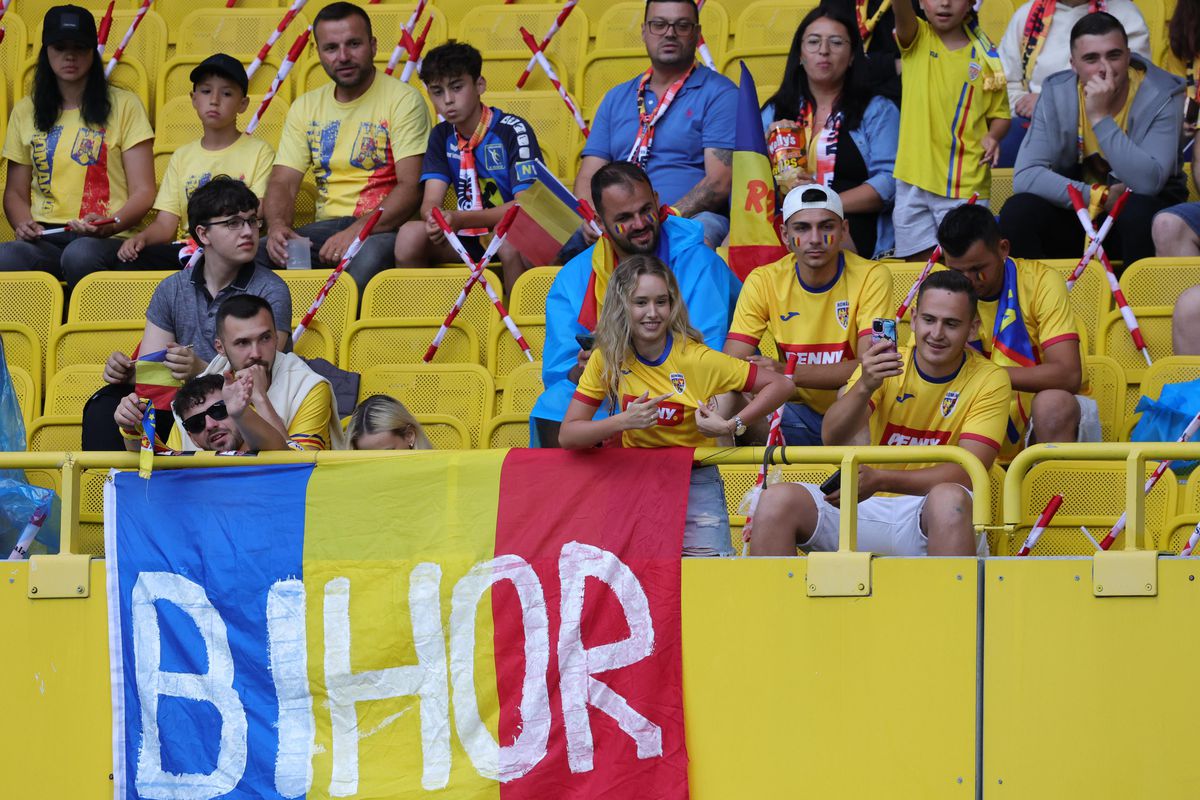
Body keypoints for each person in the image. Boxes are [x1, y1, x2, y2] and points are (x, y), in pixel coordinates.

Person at [748, 270, 1012, 558]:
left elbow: (968, 472)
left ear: (972, 329)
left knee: (949, 499)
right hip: (865, 505)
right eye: (928, 320)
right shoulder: (884, 363)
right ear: (914, 319)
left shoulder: (991, 379)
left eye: (951, 324)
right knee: (775, 501)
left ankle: (951, 591)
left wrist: (883, 479)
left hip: (929, 509)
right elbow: (831, 437)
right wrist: (865, 385)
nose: (937, 333)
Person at [559, 255, 793, 557]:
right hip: (635, 480)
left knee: (707, 576)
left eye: (661, 302)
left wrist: (732, 425)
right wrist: (623, 422)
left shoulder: (696, 358)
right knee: (642, 578)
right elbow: (568, 435)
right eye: (640, 302)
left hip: (694, 480)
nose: (652, 313)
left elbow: (782, 385)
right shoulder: (607, 357)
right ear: (621, 306)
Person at [530, 161, 741, 446]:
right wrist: (583, 368)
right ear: (600, 222)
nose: (640, 224)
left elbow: (709, 354)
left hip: (681, 385)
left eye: (645, 210)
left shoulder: (699, 262)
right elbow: (558, 371)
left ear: (657, 200)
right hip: (608, 389)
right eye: (625, 217)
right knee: (552, 407)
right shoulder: (573, 275)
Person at [260, 1, 431, 288]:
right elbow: (283, 182)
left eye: (353, 44)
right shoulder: (305, 106)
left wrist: (356, 231)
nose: (343, 56)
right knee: (246, 257)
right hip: (325, 230)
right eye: (331, 48)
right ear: (318, 53)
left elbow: (411, 187)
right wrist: (277, 227)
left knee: (368, 257)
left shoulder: (403, 100)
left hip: (384, 229)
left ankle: (340, 320)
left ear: (373, 46)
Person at [1001, 12, 1186, 270]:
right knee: (1018, 211)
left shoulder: (1162, 93)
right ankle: (1040, 293)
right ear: (1073, 64)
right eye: (1091, 59)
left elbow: (1148, 183)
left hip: (1142, 218)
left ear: (1128, 55)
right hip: (1080, 214)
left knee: (1137, 210)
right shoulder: (1056, 92)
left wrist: (1100, 118)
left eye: (1114, 55)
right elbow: (1026, 176)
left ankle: (1136, 295)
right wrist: (1098, 196)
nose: (1104, 68)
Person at [722, 184, 891, 446]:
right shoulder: (764, 279)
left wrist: (787, 372)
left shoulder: (873, 276)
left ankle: (857, 475)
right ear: (784, 235)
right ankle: (727, 471)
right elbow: (732, 363)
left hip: (857, 414)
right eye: (802, 228)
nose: (814, 238)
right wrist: (763, 380)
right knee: (726, 396)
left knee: (853, 391)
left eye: (826, 227)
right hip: (795, 414)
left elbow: (869, 367)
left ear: (843, 230)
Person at [0, 4, 155, 288]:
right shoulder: (24, 111)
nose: (69, 56)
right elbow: (15, 193)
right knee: (6, 256)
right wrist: (24, 223)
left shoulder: (125, 105)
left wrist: (110, 223)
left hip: (109, 234)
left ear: (93, 52)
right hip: (47, 236)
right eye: (59, 47)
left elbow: (144, 191)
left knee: (80, 254)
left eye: (80, 47)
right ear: (46, 51)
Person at [571, 0, 737, 251]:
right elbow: (588, 175)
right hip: (617, 224)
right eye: (659, 24)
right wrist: (596, 219)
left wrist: (659, 220)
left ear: (697, 33)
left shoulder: (720, 93)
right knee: (544, 241)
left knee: (697, 237)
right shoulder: (616, 97)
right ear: (644, 31)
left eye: (682, 25)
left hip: (689, 219)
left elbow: (719, 183)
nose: (670, 33)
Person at [937, 203, 1096, 460]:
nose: (968, 281)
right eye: (956, 272)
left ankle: (1046, 485)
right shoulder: (939, 291)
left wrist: (982, 374)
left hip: (1038, 423)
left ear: (1003, 249)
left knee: (1054, 404)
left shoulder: (1041, 282)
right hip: (969, 414)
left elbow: (1068, 375)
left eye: (978, 270)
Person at [102, 178, 292, 389]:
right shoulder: (171, 289)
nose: (248, 231)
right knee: (108, 399)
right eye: (234, 223)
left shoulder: (271, 290)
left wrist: (201, 370)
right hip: (183, 401)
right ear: (203, 234)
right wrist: (128, 374)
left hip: (251, 403)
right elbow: (153, 378)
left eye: (252, 220)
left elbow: (264, 376)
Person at [394, 41, 538, 293]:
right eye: (437, 92)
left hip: (514, 232)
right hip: (467, 233)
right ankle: (424, 313)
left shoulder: (513, 130)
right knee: (408, 236)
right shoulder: (441, 135)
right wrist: (435, 219)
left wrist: (461, 219)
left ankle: (514, 314)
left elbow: (525, 206)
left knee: (508, 240)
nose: (448, 100)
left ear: (479, 85)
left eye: (457, 87)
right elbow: (430, 201)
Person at [761, 5, 900, 257]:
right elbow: (749, 176)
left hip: (849, 221)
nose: (824, 50)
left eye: (836, 42)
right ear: (800, 54)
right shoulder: (774, 111)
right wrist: (766, 146)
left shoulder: (877, 109)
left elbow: (889, 183)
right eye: (814, 42)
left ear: (852, 56)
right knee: (733, 242)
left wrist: (823, 200)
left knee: (819, 234)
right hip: (782, 219)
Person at [117, 54, 275, 268]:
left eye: (227, 93)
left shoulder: (260, 152)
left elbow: (258, 210)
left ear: (243, 104)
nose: (214, 100)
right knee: (130, 260)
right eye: (206, 91)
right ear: (193, 98)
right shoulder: (182, 157)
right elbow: (165, 224)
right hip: (189, 248)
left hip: (236, 245)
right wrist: (141, 239)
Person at [891, 0, 1010, 259]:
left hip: (965, 181)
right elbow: (899, 7)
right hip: (914, 177)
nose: (945, 3)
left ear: (971, 3)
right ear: (921, 2)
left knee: (965, 266)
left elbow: (1000, 115)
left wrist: (993, 136)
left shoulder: (986, 55)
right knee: (918, 267)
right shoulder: (916, 36)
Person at [148, 294, 343, 451]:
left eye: (265, 338)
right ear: (220, 347)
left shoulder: (309, 388)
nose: (256, 353)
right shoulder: (198, 398)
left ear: (276, 338)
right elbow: (172, 469)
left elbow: (300, 470)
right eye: (242, 343)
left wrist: (260, 398)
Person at [997, 0, 1151, 166]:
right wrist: (1043, 112)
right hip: (1037, 122)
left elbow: (1131, 86)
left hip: (1107, 118)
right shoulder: (1027, 15)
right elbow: (1004, 87)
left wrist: (1048, 104)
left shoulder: (1126, 15)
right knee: (1003, 140)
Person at [113, 374, 247, 454]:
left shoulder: (260, 423)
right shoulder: (188, 475)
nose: (210, 425)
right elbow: (153, 462)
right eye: (196, 423)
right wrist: (131, 425)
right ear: (192, 438)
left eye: (218, 410)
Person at [347, 394, 433, 450]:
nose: (379, 464)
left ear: (409, 435)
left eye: (387, 453)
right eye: (368, 457)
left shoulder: (437, 471)